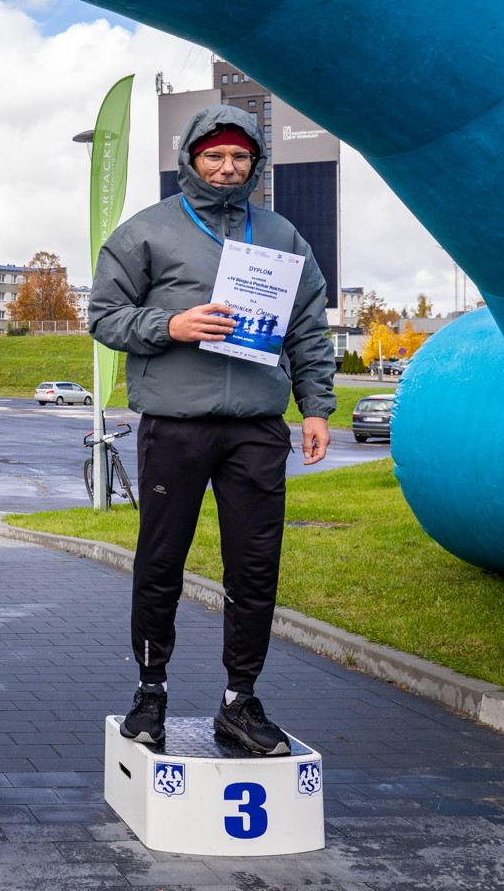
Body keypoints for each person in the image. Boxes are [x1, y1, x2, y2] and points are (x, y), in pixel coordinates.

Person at [88, 105, 335, 756]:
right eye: (215, 155)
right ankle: (150, 694)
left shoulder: (281, 235)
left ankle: (239, 701)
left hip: (257, 426)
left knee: (254, 568)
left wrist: (315, 407)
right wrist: (170, 325)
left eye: (240, 157)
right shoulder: (148, 230)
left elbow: (309, 329)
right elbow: (104, 315)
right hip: (176, 423)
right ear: (191, 160)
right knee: (160, 562)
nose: (227, 167)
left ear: (256, 163)